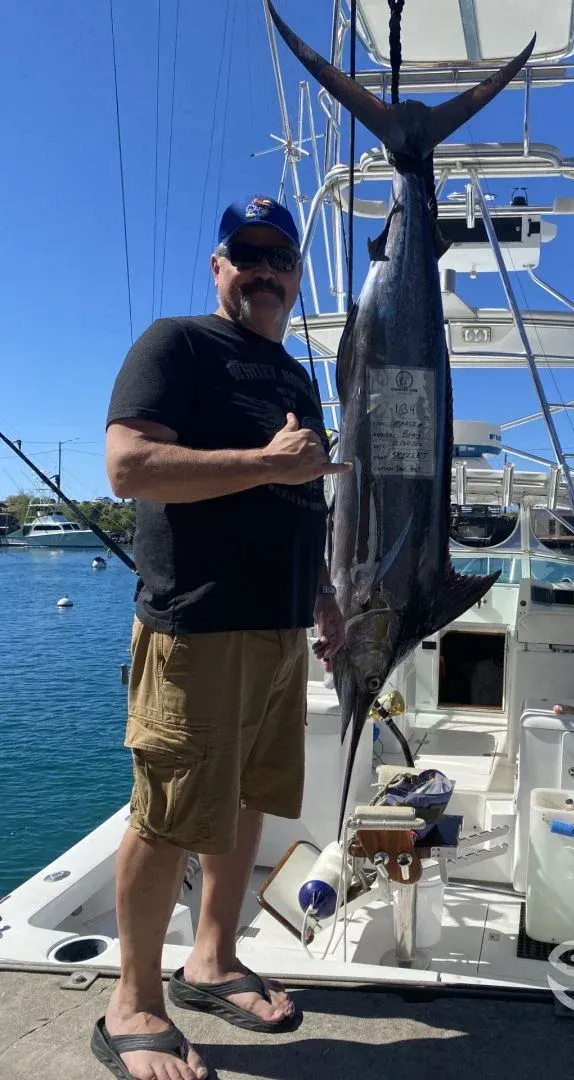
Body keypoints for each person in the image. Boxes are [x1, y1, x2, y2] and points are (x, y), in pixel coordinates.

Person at [93, 196, 351, 1080]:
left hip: (281, 629)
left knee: (246, 800)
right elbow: (128, 465)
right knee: (168, 816)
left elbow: (301, 498)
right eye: (249, 253)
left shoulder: (295, 379)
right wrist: (266, 462)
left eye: (281, 258)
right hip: (197, 628)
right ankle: (132, 1006)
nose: (266, 271)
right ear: (219, 266)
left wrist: (323, 593)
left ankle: (212, 959)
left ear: (296, 275)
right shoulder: (178, 345)